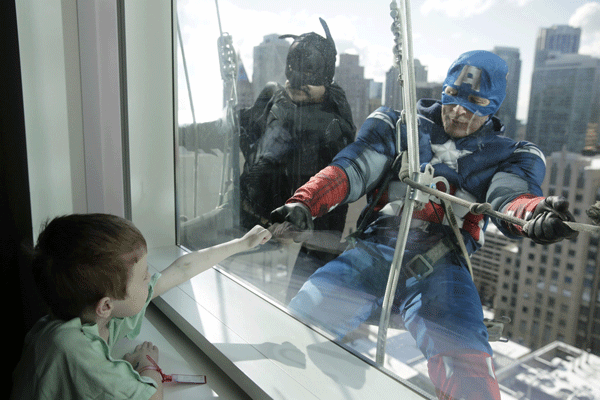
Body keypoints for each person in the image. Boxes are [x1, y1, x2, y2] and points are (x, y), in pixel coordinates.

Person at [270, 50, 578, 400]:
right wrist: (305, 202)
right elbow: (355, 167)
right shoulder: (399, 126)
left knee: (468, 378)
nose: (460, 111)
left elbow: (509, 198)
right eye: (453, 97)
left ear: (492, 106)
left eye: (475, 102)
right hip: (374, 251)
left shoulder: (511, 154)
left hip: (441, 268)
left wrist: (533, 215)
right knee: (298, 324)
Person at [10, 213, 271, 400]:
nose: (151, 277)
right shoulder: (71, 348)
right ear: (106, 305)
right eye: (144, 274)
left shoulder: (91, 313)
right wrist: (148, 365)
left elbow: (181, 269)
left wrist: (242, 244)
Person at [179, 18, 355, 273]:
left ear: (326, 76)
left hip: (265, 232)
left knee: (175, 240)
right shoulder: (274, 99)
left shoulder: (333, 132)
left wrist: (310, 271)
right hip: (237, 213)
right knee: (171, 238)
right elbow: (233, 129)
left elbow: (333, 208)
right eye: (293, 69)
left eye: (309, 73)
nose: (297, 82)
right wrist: (181, 136)